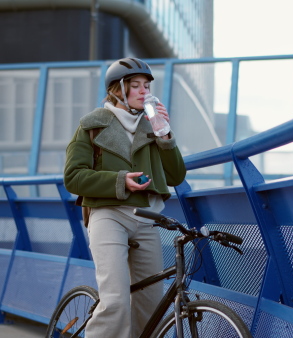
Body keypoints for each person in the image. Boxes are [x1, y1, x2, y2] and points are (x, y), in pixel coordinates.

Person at [63, 57, 186, 338]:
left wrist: (165, 135)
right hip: (108, 214)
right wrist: (120, 181)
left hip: (147, 220)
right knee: (116, 302)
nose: (144, 91)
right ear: (118, 89)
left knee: (151, 305)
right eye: (135, 86)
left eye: (146, 86)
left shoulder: (153, 126)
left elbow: (177, 176)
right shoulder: (91, 124)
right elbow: (73, 177)